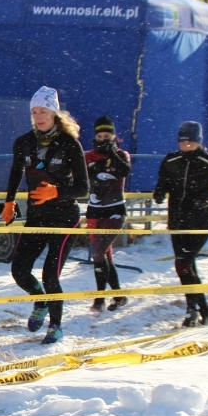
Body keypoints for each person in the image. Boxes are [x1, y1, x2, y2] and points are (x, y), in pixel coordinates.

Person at [2, 86, 88, 344]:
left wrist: (56, 192)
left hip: (65, 219)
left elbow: (83, 188)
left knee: (51, 275)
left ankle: (56, 325)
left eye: (44, 111)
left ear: (54, 113)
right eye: (35, 112)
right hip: (37, 217)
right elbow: (16, 172)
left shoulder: (69, 144)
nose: (38, 117)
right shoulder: (24, 142)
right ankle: (40, 301)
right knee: (19, 270)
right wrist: (9, 201)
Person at [152, 121, 208, 327]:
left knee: (183, 263)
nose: (186, 145)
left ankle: (193, 310)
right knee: (186, 267)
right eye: (182, 141)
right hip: (177, 220)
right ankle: (203, 308)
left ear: (199, 141)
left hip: (198, 221)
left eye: (190, 141)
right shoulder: (171, 159)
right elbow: (163, 181)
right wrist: (160, 192)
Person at [84, 116, 131, 313]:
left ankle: (99, 299)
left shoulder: (121, 154)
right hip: (94, 210)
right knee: (104, 256)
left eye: (107, 135)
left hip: (115, 211)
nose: (103, 139)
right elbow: (78, 177)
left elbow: (125, 171)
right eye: (100, 136)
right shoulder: (88, 156)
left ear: (114, 136)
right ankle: (119, 296)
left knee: (98, 253)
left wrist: (112, 153)